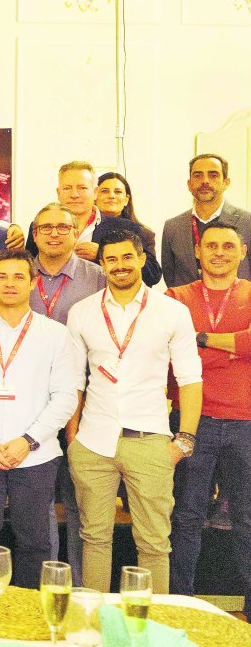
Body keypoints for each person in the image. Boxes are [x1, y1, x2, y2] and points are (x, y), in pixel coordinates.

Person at [66, 229, 203, 593]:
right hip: (93, 443)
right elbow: (74, 381)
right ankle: (94, 619)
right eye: (111, 259)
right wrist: (73, 440)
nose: (120, 265)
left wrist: (184, 441)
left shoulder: (172, 312)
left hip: (150, 442)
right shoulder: (82, 312)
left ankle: (149, 622)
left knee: (154, 542)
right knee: (94, 538)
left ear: (142, 259)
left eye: (127, 257)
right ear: (102, 264)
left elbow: (190, 379)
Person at [0, 249, 83, 588]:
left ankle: (27, 614)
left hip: (36, 455)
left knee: (34, 541)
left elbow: (66, 397)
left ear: (33, 282)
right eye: (3, 277)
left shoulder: (56, 334)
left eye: (19, 276)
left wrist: (28, 441)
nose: (10, 283)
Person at [166, 223, 251, 611]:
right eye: (211, 245)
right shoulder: (175, 298)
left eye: (228, 246)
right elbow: (171, 353)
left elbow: (190, 350)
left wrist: (200, 339)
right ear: (198, 252)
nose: (219, 252)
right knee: (186, 517)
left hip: (245, 423)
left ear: (242, 252)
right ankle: (181, 606)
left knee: (247, 519)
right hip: (192, 421)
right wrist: (236, 348)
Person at [27, 202, 107, 588]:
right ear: (35, 234)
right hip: (30, 403)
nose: (54, 234)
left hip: (83, 402)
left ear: (77, 233)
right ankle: (49, 588)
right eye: (46, 228)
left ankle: (80, 588)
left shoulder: (98, 278)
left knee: (80, 501)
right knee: (39, 501)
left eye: (63, 227)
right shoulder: (20, 273)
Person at [161, 154, 251, 288]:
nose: (205, 181)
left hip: (236, 300)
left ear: (226, 183)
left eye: (213, 175)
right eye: (198, 175)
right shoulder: (172, 227)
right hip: (186, 301)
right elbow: (170, 276)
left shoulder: (247, 222)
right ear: (189, 184)